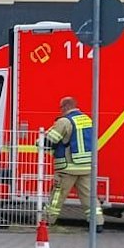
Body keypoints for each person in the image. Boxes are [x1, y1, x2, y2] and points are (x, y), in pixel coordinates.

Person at [42, 96, 102, 226]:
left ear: (65, 107)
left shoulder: (64, 121)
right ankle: (97, 223)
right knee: (89, 196)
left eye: (61, 108)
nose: (61, 111)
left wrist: (39, 142)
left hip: (67, 168)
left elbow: (50, 141)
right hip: (86, 167)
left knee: (57, 196)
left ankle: (47, 221)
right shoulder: (87, 119)